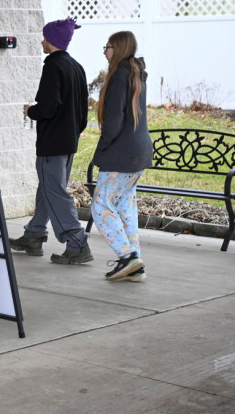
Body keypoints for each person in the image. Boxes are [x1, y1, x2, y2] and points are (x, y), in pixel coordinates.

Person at [9, 18, 92, 265]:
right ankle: (34, 235)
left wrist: (31, 111)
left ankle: (77, 242)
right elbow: (82, 112)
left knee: (54, 192)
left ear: (52, 41)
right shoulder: (77, 67)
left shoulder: (52, 66)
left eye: (45, 38)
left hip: (52, 144)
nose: (42, 42)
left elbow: (48, 107)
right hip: (68, 143)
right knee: (47, 188)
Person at [91, 31, 153, 281]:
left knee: (101, 205)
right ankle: (134, 264)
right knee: (125, 203)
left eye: (107, 46)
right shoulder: (136, 73)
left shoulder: (119, 75)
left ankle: (128, 257)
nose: (104, 51)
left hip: (121, 152)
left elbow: (114, 122)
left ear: (118, 48)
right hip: (139, 151)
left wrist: (102, 148)